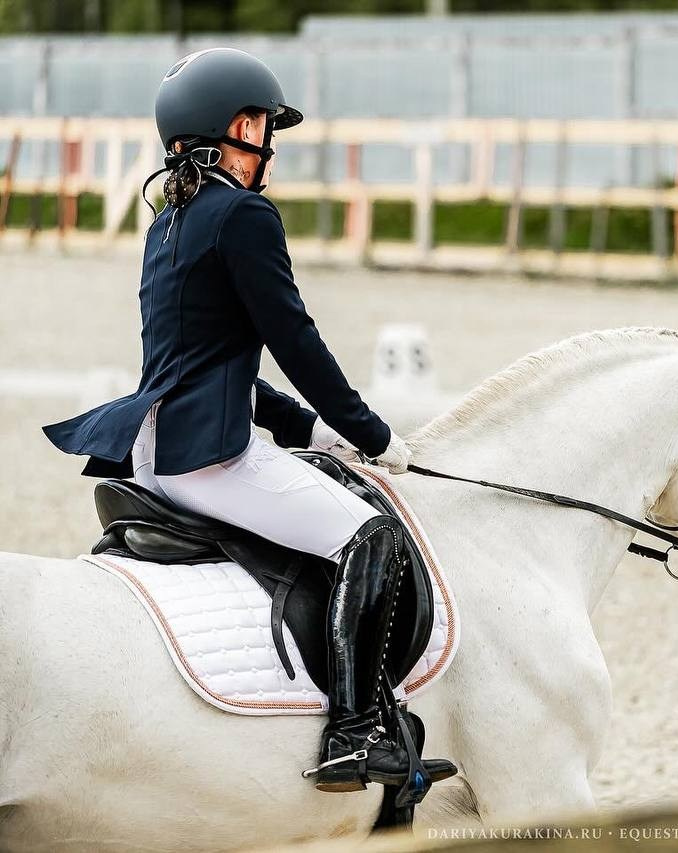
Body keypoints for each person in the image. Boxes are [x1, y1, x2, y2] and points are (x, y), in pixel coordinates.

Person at [42, 47, 454, 795]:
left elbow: (208, 360)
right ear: (239, 126)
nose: (270, 147)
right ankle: (353, 733)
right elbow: (296, 339)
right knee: (373, 536)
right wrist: (371, 433)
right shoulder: (245, 214)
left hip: (151, 448)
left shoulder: (169, 223)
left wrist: (307, 430)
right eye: (266, 127)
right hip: (207, 460)